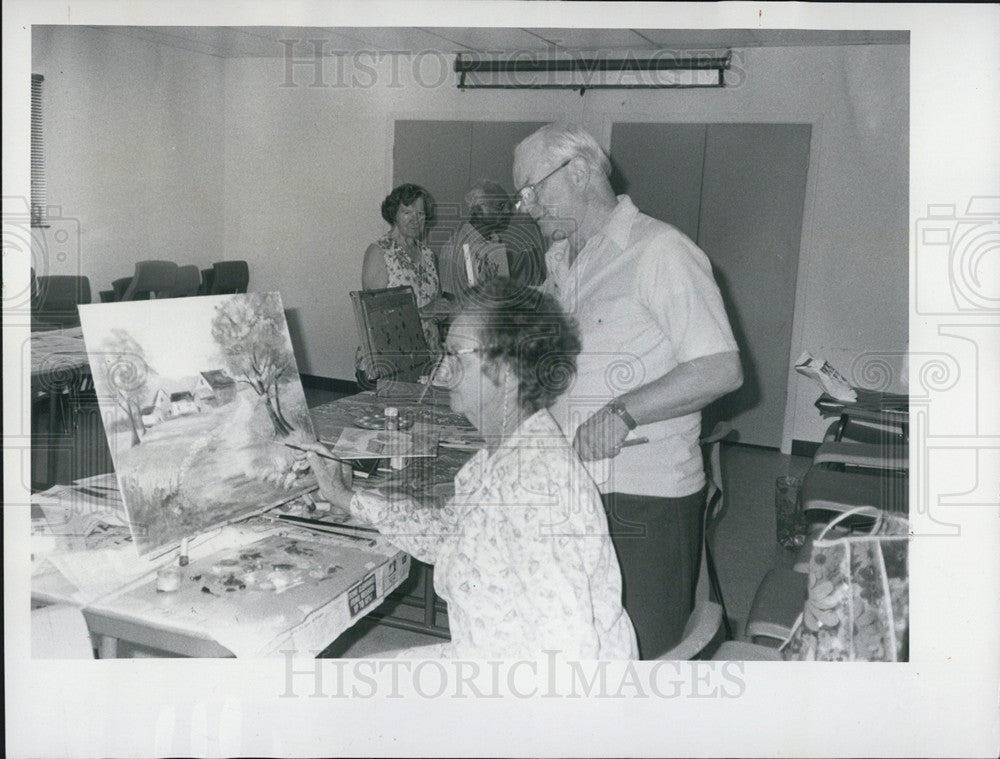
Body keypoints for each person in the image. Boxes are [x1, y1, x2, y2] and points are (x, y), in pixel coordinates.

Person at [308, 279, 637, 660]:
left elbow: (567, 666)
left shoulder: (534, 488)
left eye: (455, 355)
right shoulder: (504, 453)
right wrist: (348, 497)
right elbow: (445, 533)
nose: (440, 371)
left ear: (508, 371)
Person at [512, 122, 743, 659]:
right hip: (574, 485)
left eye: (531, 188)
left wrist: (623, 412)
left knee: (644, 656)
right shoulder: (563, 262)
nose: (524, 207)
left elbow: (720, 369)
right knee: (584, 641)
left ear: (580, 171)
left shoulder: (660, 250)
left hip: (643, 497)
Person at [360, 183, 444, 355]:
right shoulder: (380, 251)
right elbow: (375, 314)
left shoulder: (428, 255)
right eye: (407, 213)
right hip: (393, 355)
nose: (415, 220)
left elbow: (436, 302)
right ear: (394, 215)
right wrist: (427, 312)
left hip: (429, 353)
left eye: (420, 214)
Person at [439, 180, 547, 304]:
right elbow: (448, 303)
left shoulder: (495, 243)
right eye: (500, 206)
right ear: (478, 209)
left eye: (508, 206)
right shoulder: (454, 247)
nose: (507, 212)